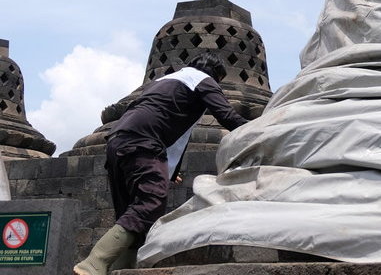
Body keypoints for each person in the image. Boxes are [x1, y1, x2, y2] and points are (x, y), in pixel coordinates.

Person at [74, 52, 250, 275]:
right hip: (144, 143)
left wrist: (171, 169)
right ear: (214, 73)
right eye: (219, 80)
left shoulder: (165, 81)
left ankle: (121, 270)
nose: (218, 85)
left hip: (117, 142)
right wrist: (260, 130)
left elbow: (165, 119)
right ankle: (93, 264)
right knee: (151, 201)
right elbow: (228, 116)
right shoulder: (202, 80)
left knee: (133, 213)